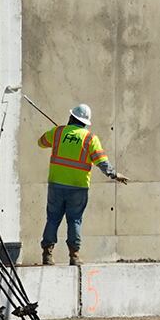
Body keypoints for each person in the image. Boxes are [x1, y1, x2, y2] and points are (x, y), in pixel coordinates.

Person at [38, 103, 128, 265]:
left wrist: (57, 136)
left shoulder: (58, 132)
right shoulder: (90, 139)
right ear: (85, 122)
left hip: (56, 185)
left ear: (71, 117)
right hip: (78, 188)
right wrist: (114, 174)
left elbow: (41, 142)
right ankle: (74, 256)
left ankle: (47, 254)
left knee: (52, 219)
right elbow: (102, 162)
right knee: (75, 220)